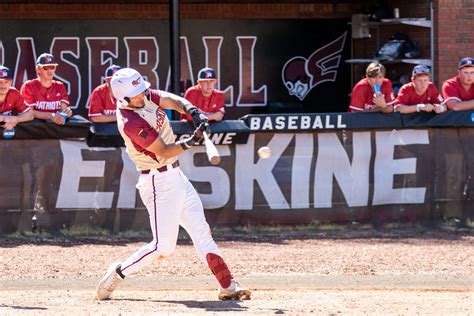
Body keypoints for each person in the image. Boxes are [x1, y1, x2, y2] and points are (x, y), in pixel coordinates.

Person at [96, 68, 251, 301]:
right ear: (123, 98)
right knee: (163, 247)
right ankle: (118, 273)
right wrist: (192, 142)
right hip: (158, 181)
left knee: (201, 231)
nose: (144, 94)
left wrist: (193, 110)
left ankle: (227, 285)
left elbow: (169, 99)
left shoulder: (142, 96)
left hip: (176, 177)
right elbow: (164, 150)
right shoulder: (130, 120)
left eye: (143, 89)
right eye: (137, 93)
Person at [20, 53, 72, 125]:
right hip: (34, 128)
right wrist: (50, 116)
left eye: (52, 67)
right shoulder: (29, 86)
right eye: (46, 68)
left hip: (55, 128)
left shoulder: (60, 86)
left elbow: (64, 109)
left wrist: (67, 112)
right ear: (38, 69)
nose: (49, 71)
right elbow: (28, 112)